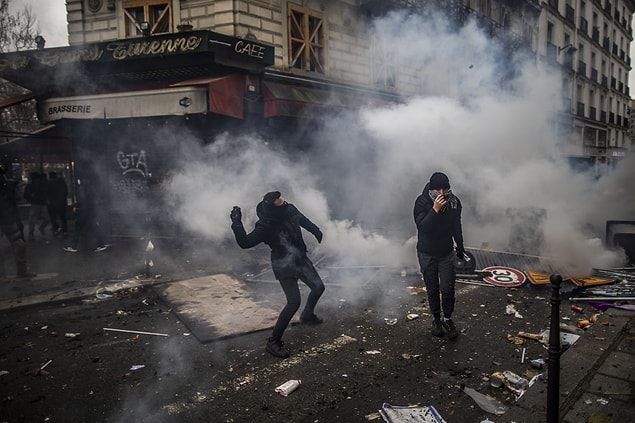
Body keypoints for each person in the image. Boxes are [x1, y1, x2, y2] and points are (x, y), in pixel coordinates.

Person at [230, 191, 325, 359]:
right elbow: (245, 243)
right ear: (274, 207)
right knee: (294, 301)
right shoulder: (265, 226)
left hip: (300, 258)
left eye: (282, 198)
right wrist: (237, 223)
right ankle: (273, 341)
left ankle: (307, 315)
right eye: (280, 201)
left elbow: (303, 220)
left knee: (318, 287)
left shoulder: (289, 209)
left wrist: (316, 230)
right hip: (283, 265)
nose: (284, 201)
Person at [413, 172, 467, 340]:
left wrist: (460, 246)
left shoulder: (454, 203)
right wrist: (435, 210)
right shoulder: (422, 202)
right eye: (438, 189)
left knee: (448, 288)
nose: (442, 193)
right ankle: (436, 319)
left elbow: (456, 225)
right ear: (431, 188)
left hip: (445, 252)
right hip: (427, 253)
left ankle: (448, 319)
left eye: (445, 188)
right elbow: (423, 227)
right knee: (433, 289)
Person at [0, 164, 35, 278]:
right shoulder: (8, 184)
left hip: (7, 216)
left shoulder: (8, 184)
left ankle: (2, 273)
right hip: (7, 216)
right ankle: (22, 271)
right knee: (17, 242)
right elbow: (18, 197)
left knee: (17, 242)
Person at [63, 179, 108, 253]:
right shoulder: (90, 191)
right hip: (89, 212)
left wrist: (76, 206)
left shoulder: (82, 190)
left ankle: (73, 246)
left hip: (83, 212)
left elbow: (82, 202)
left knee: (77, 229)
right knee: (95, 228)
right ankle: (101, 244)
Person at [23, 172, 50, 241]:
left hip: (38, 204)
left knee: (33, 220)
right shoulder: (37, 185)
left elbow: (25, 195)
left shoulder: (33, 185)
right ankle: (33, 232)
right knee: (35, 220)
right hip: (38, 204)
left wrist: (31, 199)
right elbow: (26, 195)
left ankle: (32, 233)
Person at [47, 172, 69, 237]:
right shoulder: (62, 183)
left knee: (53, 218)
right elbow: (66, 192)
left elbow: (48, 194)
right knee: (63, 218)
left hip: (53, 204)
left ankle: (56, 229)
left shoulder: (49, 184)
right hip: (61, 203)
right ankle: (65, 231)